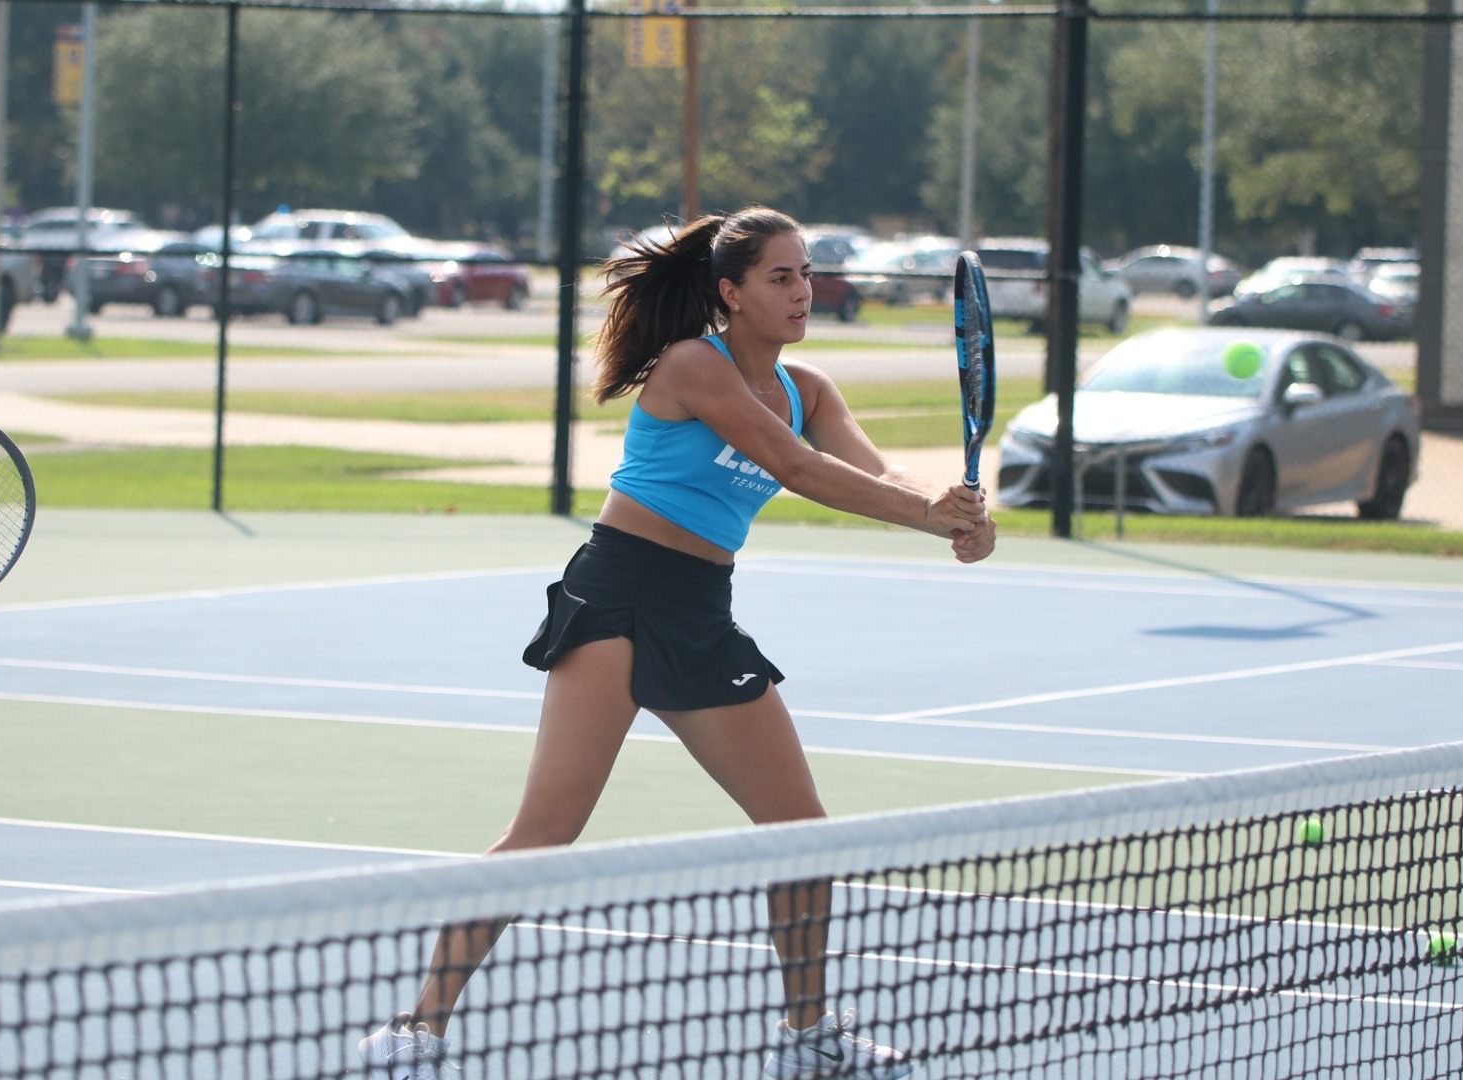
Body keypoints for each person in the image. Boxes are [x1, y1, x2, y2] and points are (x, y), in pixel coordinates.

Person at [359, 207, 995, 1080]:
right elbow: (799, 469)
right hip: (618, 593)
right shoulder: (696, 364)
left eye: (806, 273)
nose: (803, 291)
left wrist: (951, 509)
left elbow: (877, 468)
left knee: (800, 833)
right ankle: (414, 1029)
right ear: (730, 293)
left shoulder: (809, 387)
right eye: (781, 277)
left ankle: (807, 1036)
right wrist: (926, 516)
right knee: (545, 832)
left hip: (700, 606)